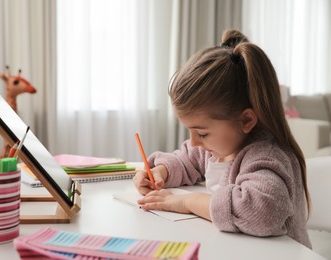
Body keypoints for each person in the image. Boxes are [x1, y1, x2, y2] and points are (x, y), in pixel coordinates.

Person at [133, 29, 311, 248]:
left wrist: (188, 201)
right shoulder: (217, 147)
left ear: (246, 120)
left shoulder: (267, 156)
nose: (195, 142)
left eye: (202, 133)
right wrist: (161, 173)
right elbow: (186, 159)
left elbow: (263, 213)